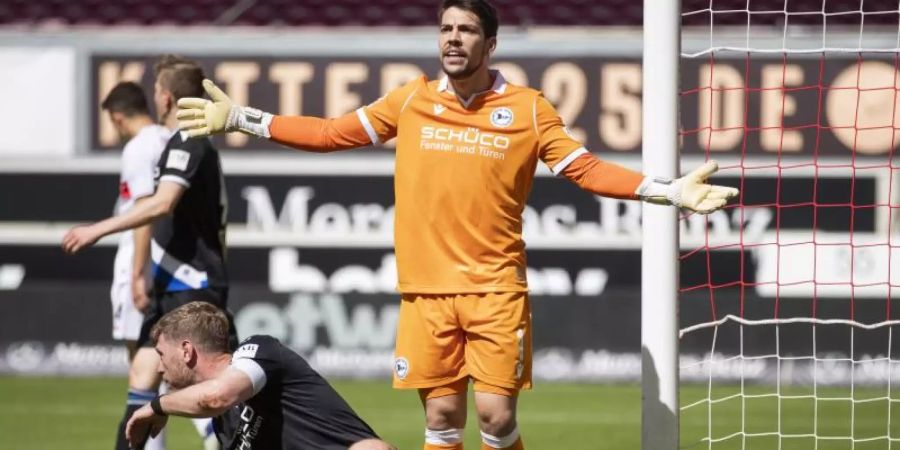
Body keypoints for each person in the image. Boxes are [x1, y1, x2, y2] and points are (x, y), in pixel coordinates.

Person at [175, 1, 739, 448]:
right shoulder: (412, 100)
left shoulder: (527, 109)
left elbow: (584, 169)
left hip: (496, 290)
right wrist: (243, 118)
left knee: (494, 420)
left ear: (489, 44)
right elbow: (330, 133)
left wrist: (668, 191)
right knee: (442, 419)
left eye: (466, 30)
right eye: (445, 28)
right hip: (426, 293)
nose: (452, 38)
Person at [63, 55, 234, 450]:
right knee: (144, 380)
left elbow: (162, 204)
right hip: (173, 282)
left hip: (191, 284)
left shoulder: (190, 139)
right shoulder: (179, 140)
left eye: (157, 90)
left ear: (167, 96)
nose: (154, 97)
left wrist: (98, 229)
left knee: (212, 393)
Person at [125, 301, 396, 450]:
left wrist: (158, 405)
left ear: (186, 351)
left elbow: (216, 397)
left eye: (161, 354)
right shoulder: (224, 428)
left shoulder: (259, 352)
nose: (159, 368)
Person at [101, 81, 172, 450]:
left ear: (117, 117)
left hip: (141, 267)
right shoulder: (169, 139)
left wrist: (138, 273)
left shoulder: (139, 148)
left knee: (143, 376)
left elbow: (145, 210)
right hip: (172, 268)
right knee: (169, 377)